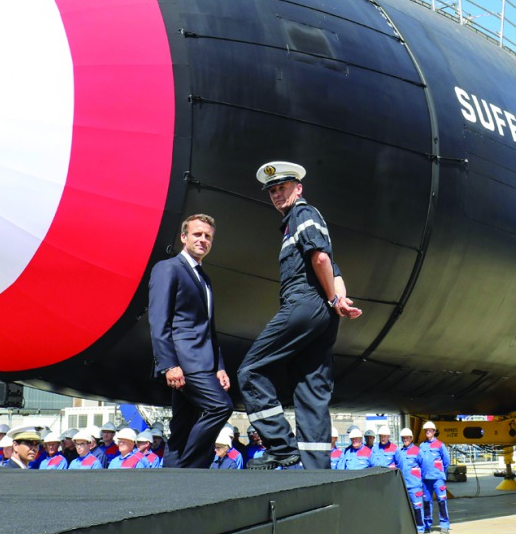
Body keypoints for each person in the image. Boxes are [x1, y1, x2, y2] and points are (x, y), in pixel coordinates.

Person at [238, 161, 362, 470]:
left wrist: (332, 297)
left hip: (304, 304)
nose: (277, 194)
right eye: (272, 191)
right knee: (311, 388)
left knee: (251, 370)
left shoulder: (302, 214)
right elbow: (332, 267)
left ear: (299, 188)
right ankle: (316, 469)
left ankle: (281, 446)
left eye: (283, 187)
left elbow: (320, 259)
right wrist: (339, 301)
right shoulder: (303, 219)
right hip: (324, 314)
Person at [148, 213, 233, 469]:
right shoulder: (168, 268)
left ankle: (172, 478)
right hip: (185, 362)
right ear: (184, 237)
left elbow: (209, 329)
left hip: (203, 361)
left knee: (183, 426)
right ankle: (192, 469)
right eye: (197, 234)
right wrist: (169, 365)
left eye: (208, 236)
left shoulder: (204, 277)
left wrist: (219, 366)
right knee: (220, 407)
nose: (203, 240)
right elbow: (159, 321)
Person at [418, 421, 450, 534]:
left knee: (441, 501)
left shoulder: (440, 445)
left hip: (438, 479)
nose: (428, 432)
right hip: (426, 479)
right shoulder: (422, 446)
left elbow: (446, 461)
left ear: (434, 431)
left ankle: (444, 525)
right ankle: (427, 525)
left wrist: (440, 472)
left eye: (430, 430)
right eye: (426, 430)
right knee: (426, 502)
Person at [397, 428, 426, 534]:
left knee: (417, 508)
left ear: (411, 438)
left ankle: (420, 529)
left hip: (415, 486)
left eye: (407, 438)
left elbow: (424, 467)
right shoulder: (400, 452)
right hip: (403, 486)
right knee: (405, 510)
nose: (405, 439)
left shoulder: (417, 451)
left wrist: (419, 480)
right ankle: (408, 530)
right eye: (403, 438)